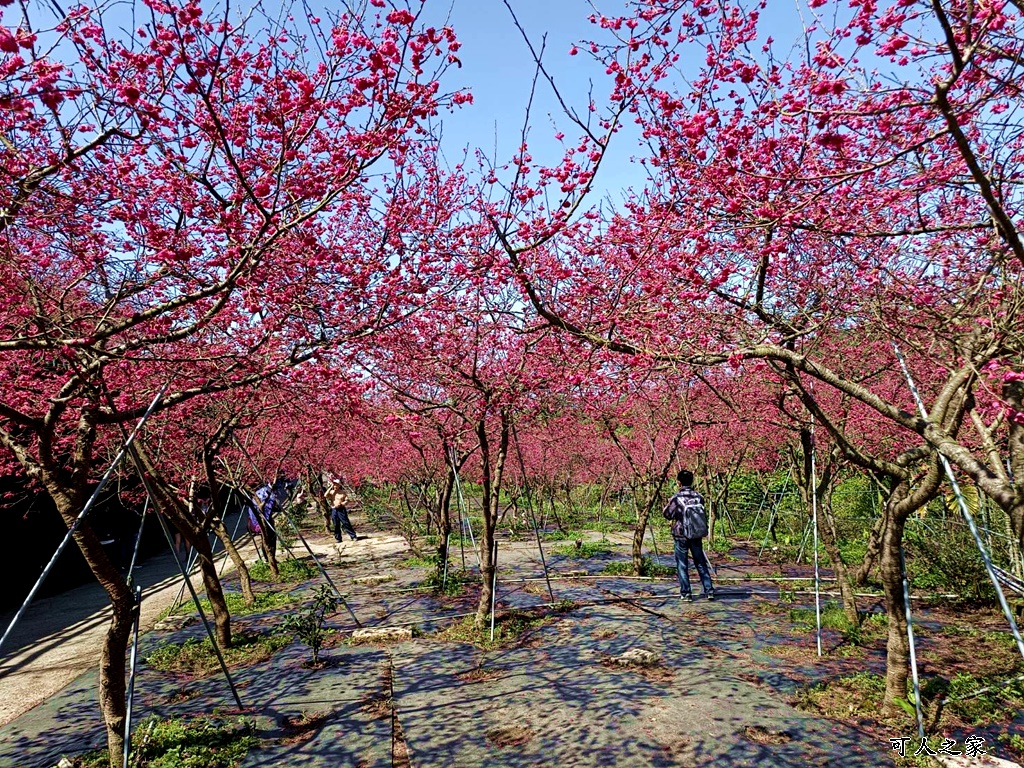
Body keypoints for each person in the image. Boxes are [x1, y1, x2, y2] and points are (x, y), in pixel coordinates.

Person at [663, 469, 714, 602]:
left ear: (678, 482)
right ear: (692, 481)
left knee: (682, 564)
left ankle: (686, 593)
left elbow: (667, 515)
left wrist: (669, 504)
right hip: (696, 534)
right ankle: (709, 590)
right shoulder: (699, 497)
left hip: (681, 535)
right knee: (701, 563)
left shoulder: (677, 498)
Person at [325, 473, 357, 542]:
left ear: (339, 485)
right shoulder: (331, 492)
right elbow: (325, 495)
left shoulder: (342, 492)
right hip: (334, 510)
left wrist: (342, 504)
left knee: (346, 523)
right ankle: (338, 538)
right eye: (334, 484)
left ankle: (353, 536)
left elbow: (347, 500)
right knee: (336, 524)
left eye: (336, 484)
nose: (335, 486)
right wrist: (331, 487)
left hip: (341, 509)